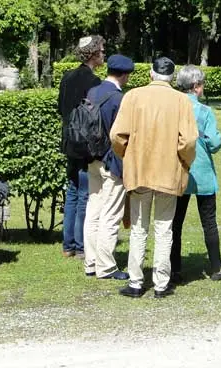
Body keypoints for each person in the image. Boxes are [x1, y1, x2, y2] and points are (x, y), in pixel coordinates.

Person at [110, 57, 198, 298]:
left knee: (139, 229)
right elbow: (189, 140)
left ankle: (136, 282)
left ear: (151, 74)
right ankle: (161, 283)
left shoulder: (133, 96)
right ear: (172, 77)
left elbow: (117, 135)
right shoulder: (181, 100)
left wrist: (127, 155)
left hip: (139, 171)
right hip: (168, 172)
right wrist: (184, 161)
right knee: (164, 229)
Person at [170, 65, 221, 284]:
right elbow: (214, 144)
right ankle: (216, 267)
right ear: (196, 86)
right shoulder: (204, 111)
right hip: (202, 171)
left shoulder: (172, 107)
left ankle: (174, 269)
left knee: (175, 223)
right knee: (209, 221)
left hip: (178, 171)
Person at [83, 54, 135, 280]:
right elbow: (122, 134)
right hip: (112, 161)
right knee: (111, 214)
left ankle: (91, 262)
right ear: (124, 75)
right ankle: (106, 267)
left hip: (91, 159)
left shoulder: (92, 92)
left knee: (93, 211)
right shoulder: (119, 99)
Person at [57, 35, 105, 259]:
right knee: (85, 193)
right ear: (93, 53)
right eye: (102, 50)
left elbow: (60, 108)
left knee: (73, 191)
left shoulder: (67, 77)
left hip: (69, 141)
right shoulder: (93, 82)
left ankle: (68, 245)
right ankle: (80, 245)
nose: (104, 54)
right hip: (85, 144)